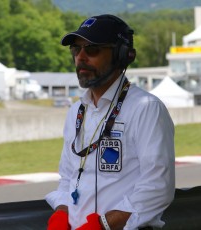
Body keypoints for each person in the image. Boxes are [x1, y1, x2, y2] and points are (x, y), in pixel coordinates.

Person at [45, 14, 175, 230]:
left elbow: (157, 186)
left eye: (92, 49)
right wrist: (61, 213)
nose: (81, 57)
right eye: (76, 49)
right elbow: (69, 177)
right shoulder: (76, 111)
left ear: (120, 55)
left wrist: (103, 225)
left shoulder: (146, 108)